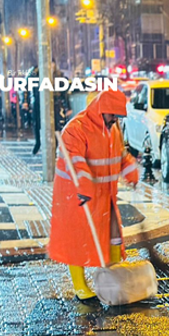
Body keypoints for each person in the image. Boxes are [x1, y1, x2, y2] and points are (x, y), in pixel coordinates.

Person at [47, 90, 139, 302]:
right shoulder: (76, 129)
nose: (115, 118)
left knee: (113, 234)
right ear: (102, 110)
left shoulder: (112, 129)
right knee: (77, 240)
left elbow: (120, 154)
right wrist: (84, 186)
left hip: (104, 195)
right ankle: (80, 286)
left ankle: (114, 277)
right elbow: (76, 162)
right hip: (78, 197)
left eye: (117, 115)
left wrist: (129, 169)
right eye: (112, 114)